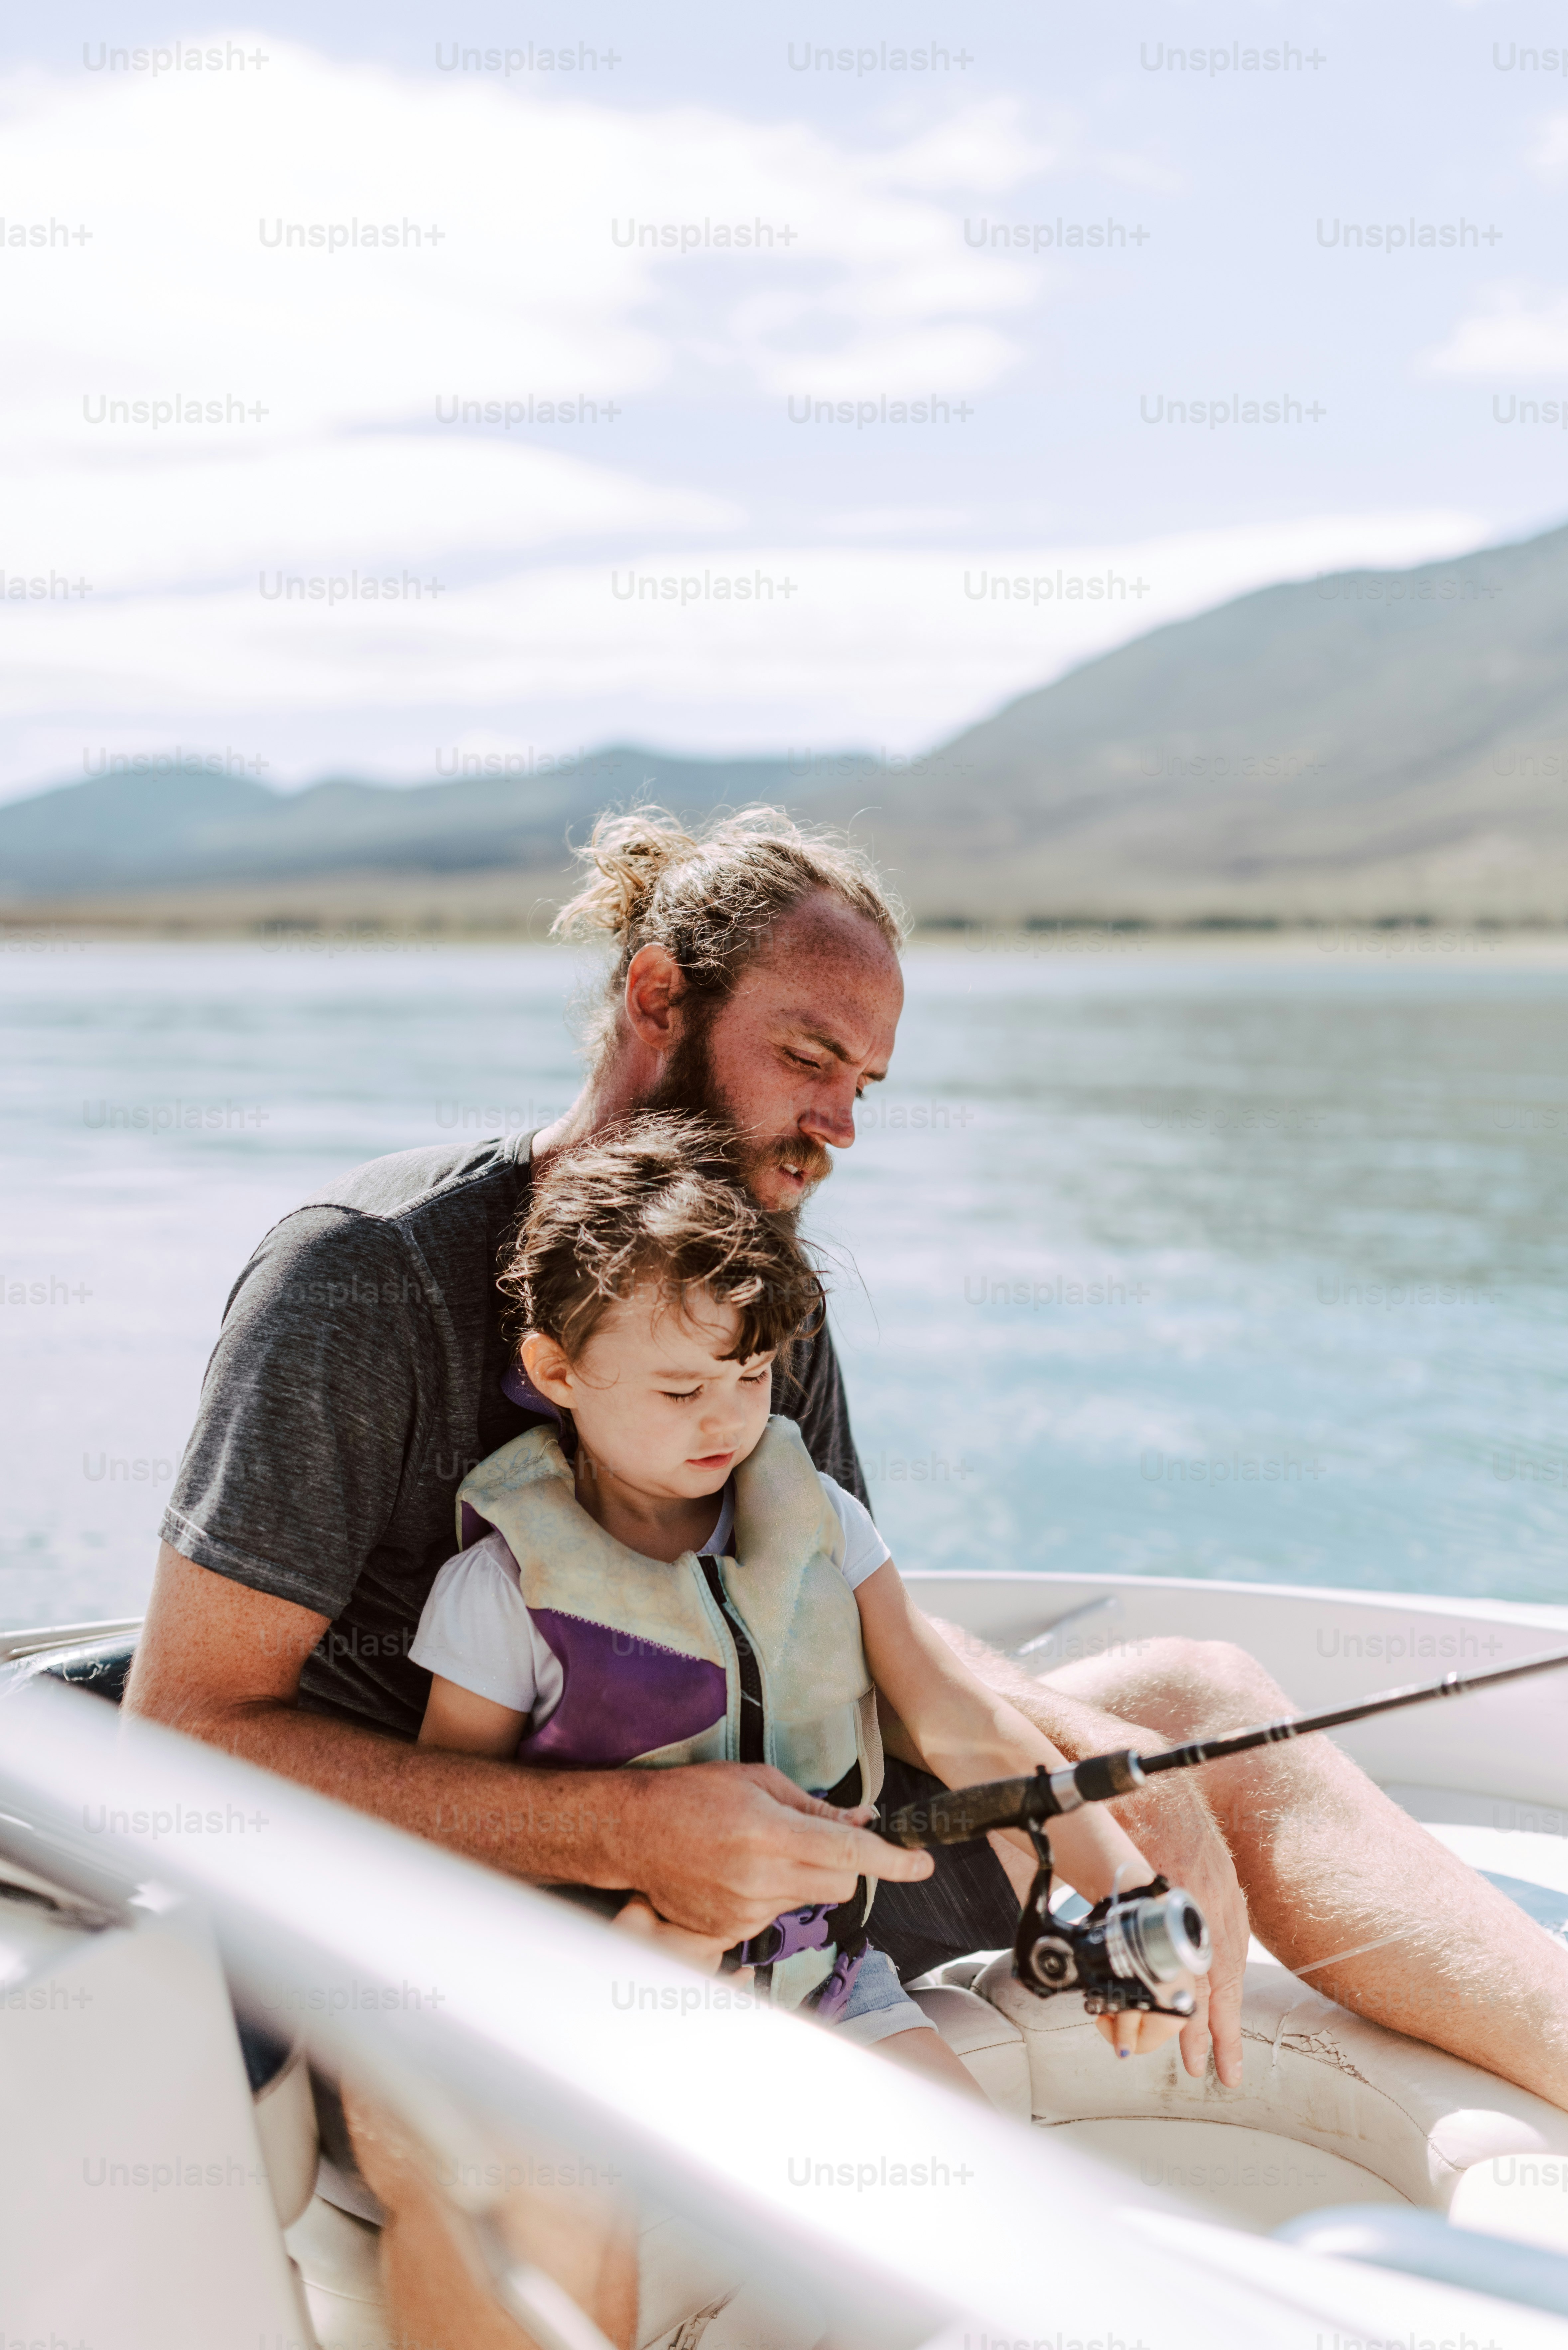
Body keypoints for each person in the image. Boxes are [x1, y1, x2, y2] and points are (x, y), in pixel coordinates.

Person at [126, 800, 1568, 2123]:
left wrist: (1082, 1784)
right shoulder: (362, 1283)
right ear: (654, 1000)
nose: (840, 1125)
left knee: (1202, 1704)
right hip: (478, 1906)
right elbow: (183, 1733)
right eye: (809, 1057)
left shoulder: (763, 1296)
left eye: (867, 1082)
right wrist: (631, 1830)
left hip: (794, 1872)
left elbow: (849, 1604)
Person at [411, 1113, 1192, 2087]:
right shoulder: (498, 1593)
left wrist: (1131, 1899)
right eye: (679, 1388)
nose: (726, 1416)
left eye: (749, 1375)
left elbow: (960, 1723)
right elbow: (450, 1833)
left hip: (829, 1980)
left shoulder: (823, 1520)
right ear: (556, 1371)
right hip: (609, 2011)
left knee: (975, 2180)